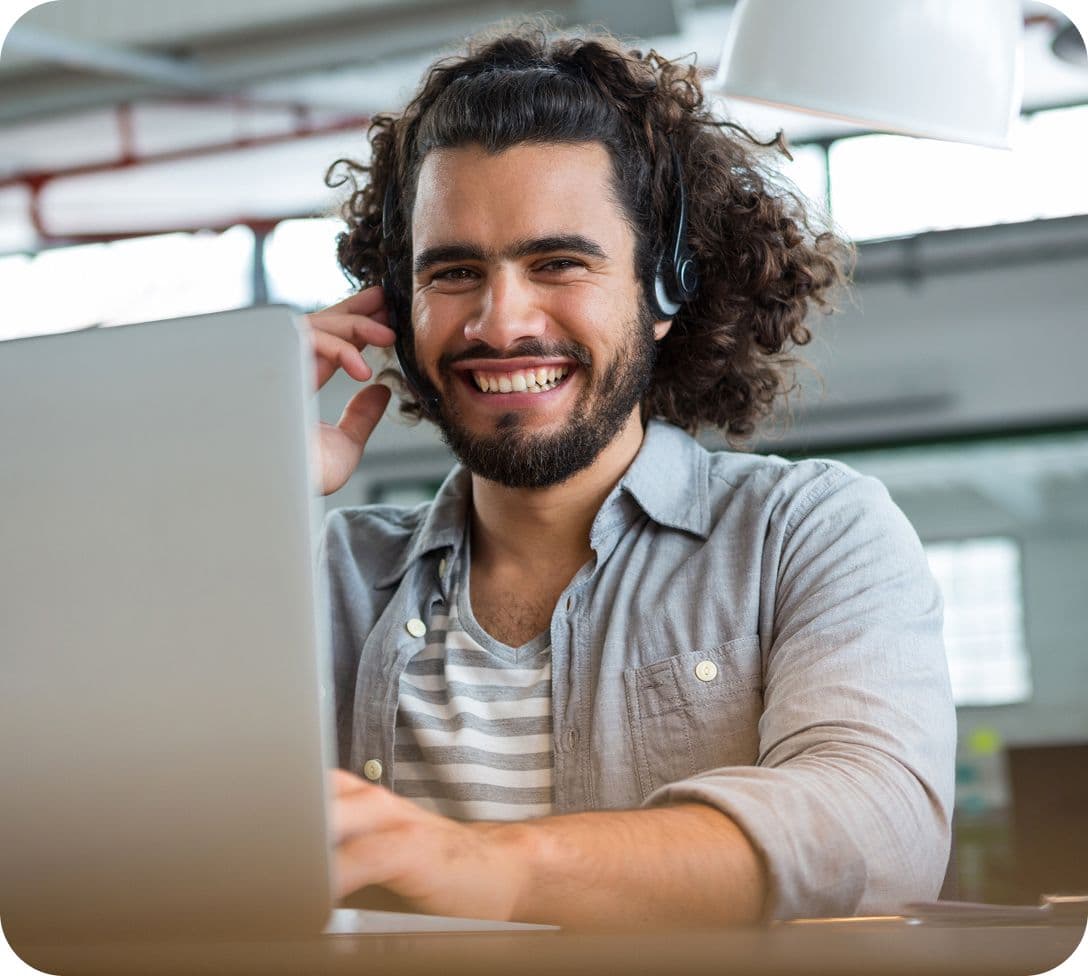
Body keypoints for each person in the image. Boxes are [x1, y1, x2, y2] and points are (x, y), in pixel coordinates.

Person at [306, 25, 955, 928]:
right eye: (453, 272)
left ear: (665, 288)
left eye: (557, 263)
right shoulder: (325, 575)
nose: (501, 323)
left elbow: (878, 831)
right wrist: (238, 484)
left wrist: (488, 867)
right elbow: (138, 804)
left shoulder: (805, 534)